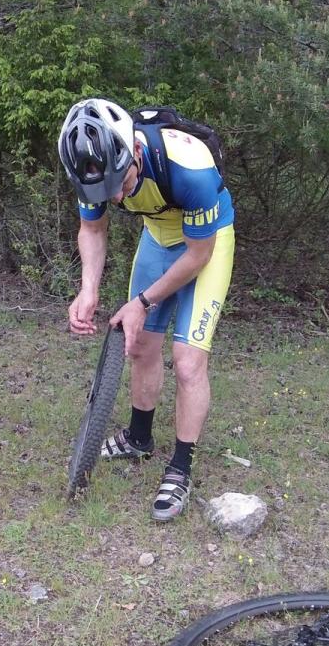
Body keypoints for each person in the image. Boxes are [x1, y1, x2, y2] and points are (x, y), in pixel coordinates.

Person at [59, 98, 235, 520]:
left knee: (188, 362)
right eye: (106, 191)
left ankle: (181, 466)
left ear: (135, 151)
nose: (117, 196)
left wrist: (141, 302)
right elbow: (92, 228)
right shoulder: (92, 167)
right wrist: (88, 289)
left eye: (120, 183)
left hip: (206, 245)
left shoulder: (190, 166)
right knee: (139, 346)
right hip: (157, 239)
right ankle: (138, 438)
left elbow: (197, 256)